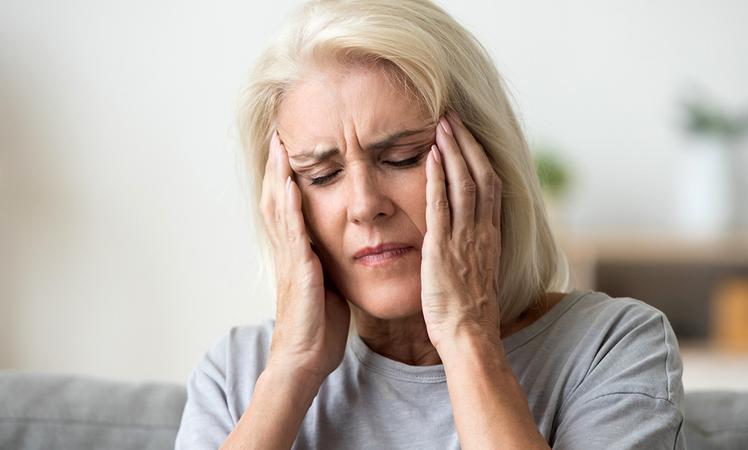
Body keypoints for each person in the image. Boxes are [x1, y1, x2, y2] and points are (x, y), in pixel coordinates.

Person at [175, 1, 686, 448]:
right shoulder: (236, 375)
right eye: (322, 173)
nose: (364, 205)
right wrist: (290, 372)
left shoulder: (613, 346)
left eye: (402, 157)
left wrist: (467, 334)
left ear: (485, 164)